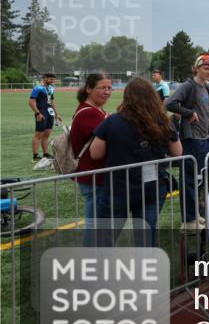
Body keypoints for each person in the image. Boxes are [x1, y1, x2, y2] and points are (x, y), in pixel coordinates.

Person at [90, 78, 181, 247]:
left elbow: (95, 153)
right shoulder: (163, 120)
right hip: (152, 187)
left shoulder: (113, 121)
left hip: (119, 187)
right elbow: (177, 152)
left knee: (105, 237)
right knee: (146, 234)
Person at [165, 53, 209, 232]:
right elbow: (170, 104)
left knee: (200, 179)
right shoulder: (189, 86)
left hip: (204, 138)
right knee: (190, 181)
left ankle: (194, 214)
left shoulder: (206, 87)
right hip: (191, 139)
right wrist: (188, 113)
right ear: (197, 68)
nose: (208, 71)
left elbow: (204, 111)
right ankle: (188, 219)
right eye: (205, 68)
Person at [69, 73, 113, 246]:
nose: (107, 92)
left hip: (96, 175)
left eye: (109, 88)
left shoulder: (96, 111)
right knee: (95, 224)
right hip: (94, 176)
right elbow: (105, 143)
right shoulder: (89, 114)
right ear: (88, 89)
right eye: (102, 87)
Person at [29, 73, 60, 164]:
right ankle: (35, 156)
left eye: (53, 79)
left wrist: (57, 114)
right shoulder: (37, 88)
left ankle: (45, 154)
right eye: (50, 79)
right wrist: (37, 113)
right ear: (45, 78)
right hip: (41, 112)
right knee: (38, 134)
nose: (52, 81)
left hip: (49, 112)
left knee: (47, 134)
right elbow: (31, 102)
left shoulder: (51, 88)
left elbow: (52, 101)